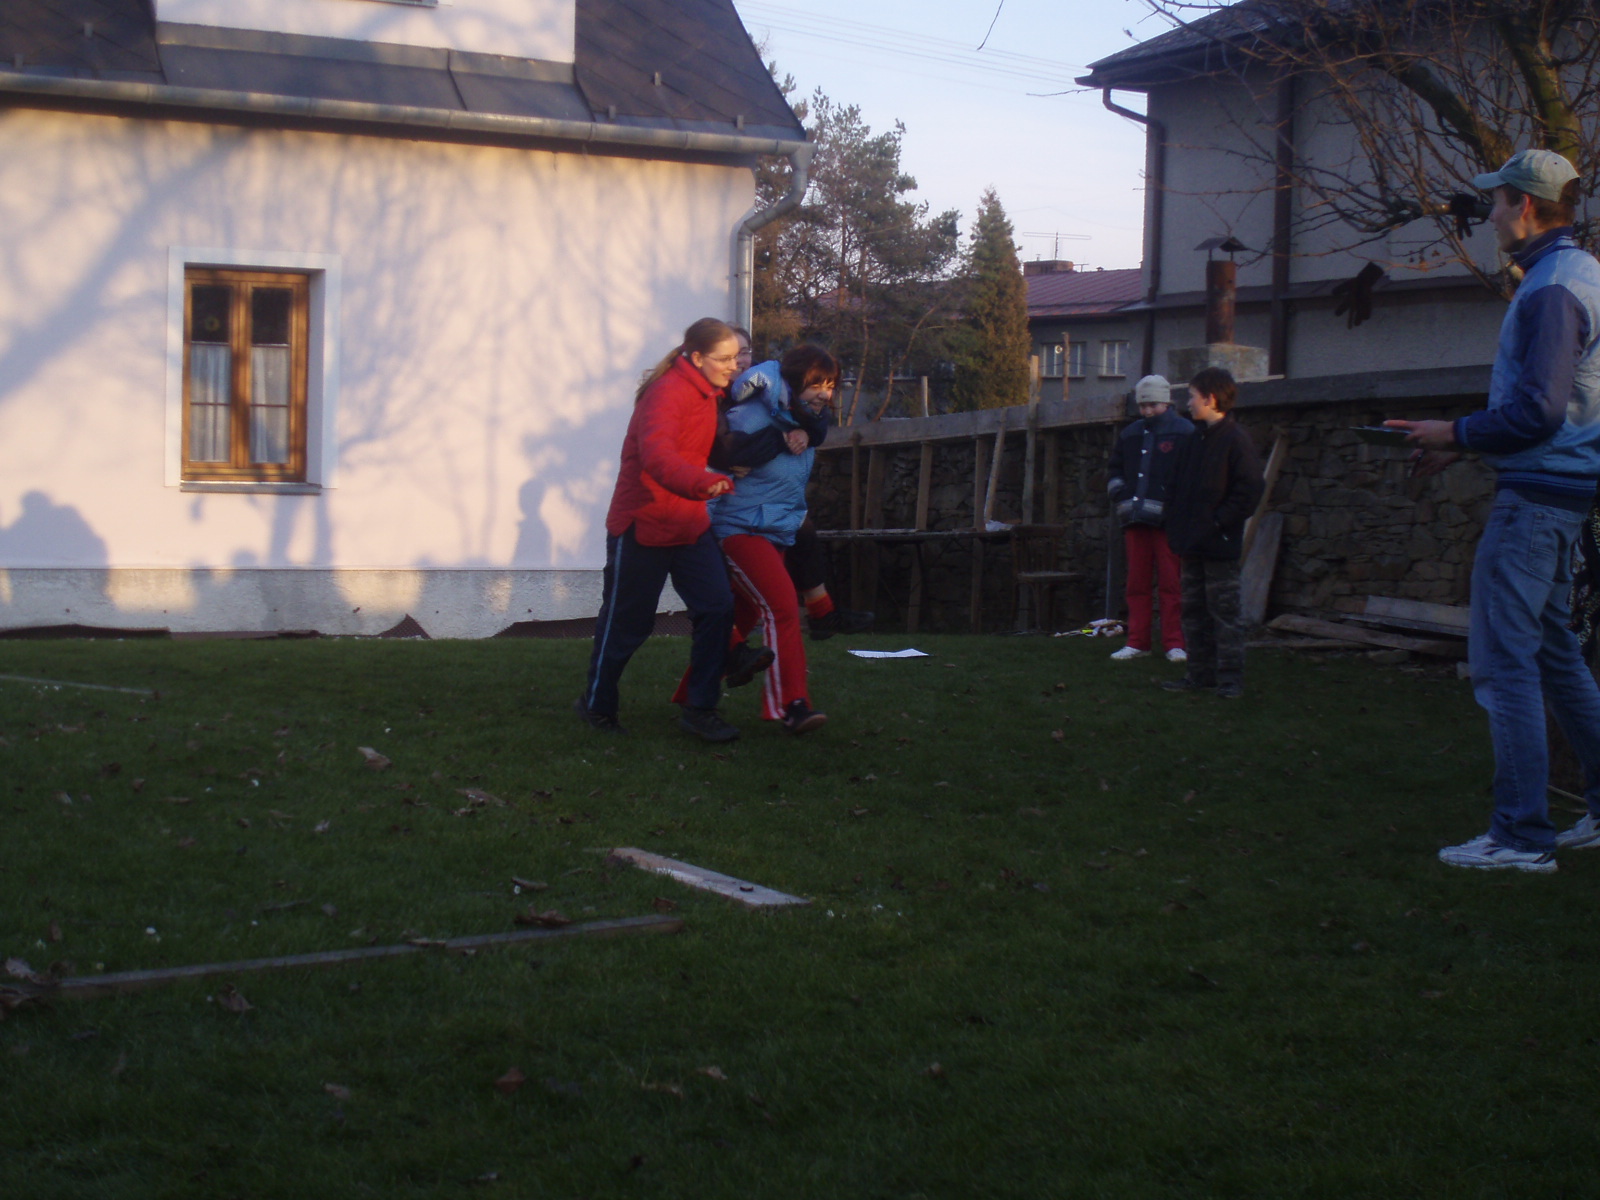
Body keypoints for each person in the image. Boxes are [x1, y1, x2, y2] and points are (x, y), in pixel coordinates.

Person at [1387, 148, 1600, 873]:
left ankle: (1520, 837)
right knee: (1556, 657)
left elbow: (1539, 412)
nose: (1491, 215)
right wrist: (1465, 445)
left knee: (1504, 664)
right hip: (1563, 495)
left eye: (1499, 201)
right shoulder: (1577, 273)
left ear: (1526, 206)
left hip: (1534, 501)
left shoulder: (1552, 289)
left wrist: (1456, 433)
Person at [577, 317, 749, 742]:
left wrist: (796, 430)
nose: (734, 365)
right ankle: (597, 705)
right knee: (627, 624)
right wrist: (700, 482)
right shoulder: (667, 392)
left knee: (717, 607)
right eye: (725, 358)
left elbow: (710, 445)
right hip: (643, 523)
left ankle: (701, 709)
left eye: (736, 357)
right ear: (697, 357)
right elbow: (657, 455)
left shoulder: (709, 393)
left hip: (689, 522)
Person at [690, 344, 841, 733]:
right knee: (781, 607)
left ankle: (691, 693)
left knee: (742, 616)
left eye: (830, 386)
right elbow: (719, 460)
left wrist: (802, 430)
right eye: (817, 385)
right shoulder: (748, 416)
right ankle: (792, 705)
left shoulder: (803, 420)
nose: (825, 394)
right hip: (740, 528)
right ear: (795, 381)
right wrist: (702, 535)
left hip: (776, 530)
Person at [725, 327, 872, 641]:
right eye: (731, 354)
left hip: (769, 515)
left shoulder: (777, 396)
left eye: (745, 352)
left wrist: (807, 430)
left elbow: (810, 416)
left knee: (747, 607)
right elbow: (730, 449)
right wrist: (780, 438)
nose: (740, 361)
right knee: (756, 606)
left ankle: (820, 612)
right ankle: (818, 616)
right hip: (736, 518)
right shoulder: (730, 398)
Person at [1159, 366, 1264, 699]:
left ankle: (1230, 679)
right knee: (1193, 612)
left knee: (1225, 614)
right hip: (1191, 544)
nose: (1188, 403)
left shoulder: (1236, 441)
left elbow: (1249, 491)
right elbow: (1175, 485)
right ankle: (1198, 674)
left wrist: (1218, 522)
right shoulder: (1193, 440)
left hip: (1219, 546)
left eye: (1192, 396)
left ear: (1211, 398)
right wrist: (1175, 522)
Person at [1107, 374, 1193, 662]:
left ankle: (1174, 643)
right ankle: (1138, 642)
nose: (1147, 411)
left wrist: (1178, 505)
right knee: (1136, 584)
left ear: (1166, 402)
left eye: (1152, 405)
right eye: (1143, 406)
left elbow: (1192, 475)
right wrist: (1120, 494)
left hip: (1170, 523)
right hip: (1135, 521)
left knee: (1171, 584)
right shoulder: (1130, 434)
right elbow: (1115, 469)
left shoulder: (1185, 432)